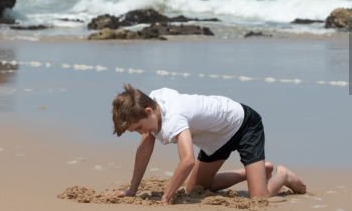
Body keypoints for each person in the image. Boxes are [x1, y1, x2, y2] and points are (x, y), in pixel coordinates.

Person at [110, 84, 307, 204]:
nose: (141, 133)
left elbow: (187, 161)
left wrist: (167, 196)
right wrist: (132, 189)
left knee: (259, 198)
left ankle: (282, 175)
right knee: (196, 188)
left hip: (243, 125)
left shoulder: (175, 118)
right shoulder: (154, 102)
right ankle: (256, 171)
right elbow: (145, 148)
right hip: (216, 138)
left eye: (139, 128)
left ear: (148, 112)